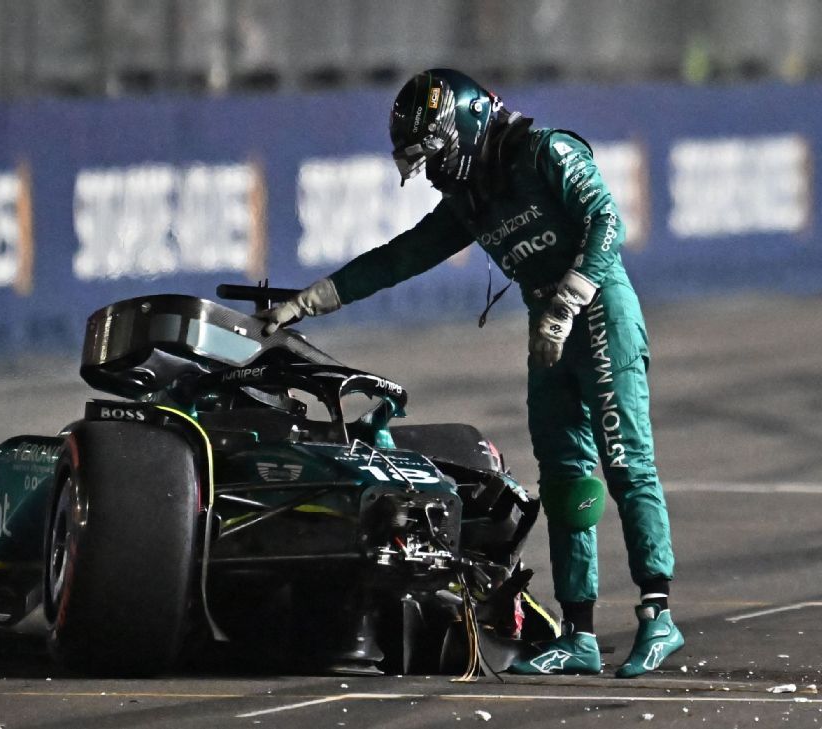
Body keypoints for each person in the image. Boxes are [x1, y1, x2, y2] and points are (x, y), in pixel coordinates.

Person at [261, 68, 682, 677]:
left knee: (624, 461)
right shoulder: (470, 201)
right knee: (565, 478)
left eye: (436, 152)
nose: (433, 170)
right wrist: (308, 300)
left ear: (463, 123)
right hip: (548, 329)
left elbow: (607, 221)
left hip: (599, 316)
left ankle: (658, 615)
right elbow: (397, 258)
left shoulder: (548, 151)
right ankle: (580, 634)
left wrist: (568, 300)